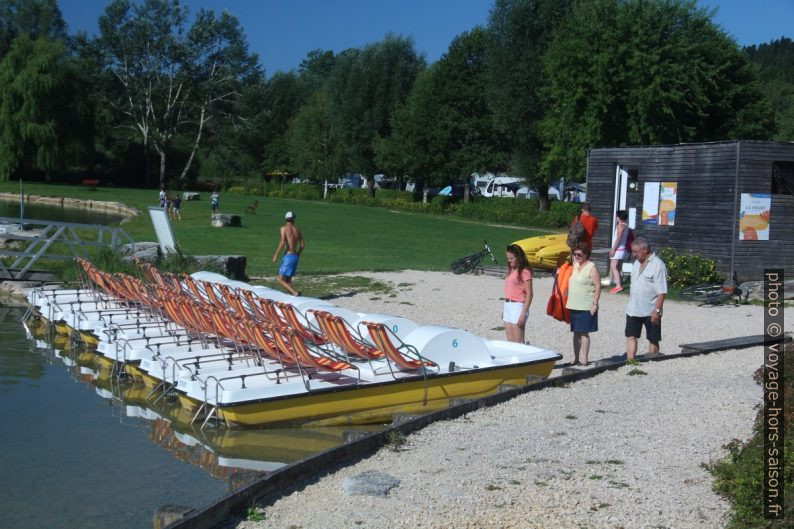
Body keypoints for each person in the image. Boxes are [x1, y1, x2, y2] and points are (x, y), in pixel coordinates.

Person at [625, 236, 667, 361]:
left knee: (652, 337)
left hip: (650, 309)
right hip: (633, 309)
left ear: (645, 250)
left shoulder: (658, 265)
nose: (633, 255)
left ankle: (653, 361)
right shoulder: (637, 263)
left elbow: (662, 292)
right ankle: (630, 361)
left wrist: (657, 311)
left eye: (635, 252)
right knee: (631, 335)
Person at [565, 241, 601, 366]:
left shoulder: (592, 267)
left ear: (586, 254)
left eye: (579, 254)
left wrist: (595, 304)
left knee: (584, 333)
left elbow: (598, 286)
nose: (576, 256)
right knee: (575, 332)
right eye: (574, 254)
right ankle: (575, 357)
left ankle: (584, 358)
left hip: (586, 305)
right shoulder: (575, 264)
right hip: (573, 304)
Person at [503, 244, 533, 344]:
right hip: (508, 305)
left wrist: (523, 313)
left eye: (511, 258)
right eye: (508, 258)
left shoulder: (525, 271)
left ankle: (523, 359)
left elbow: (529, 294)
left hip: (518, 306)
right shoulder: (511, 269)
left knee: (518, 341)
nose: (509, 260)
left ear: (518, 257)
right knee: (510, 339)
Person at [272, 211, 305, 296]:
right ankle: (291, 295)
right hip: (295, 257)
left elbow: (282, 242)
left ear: (286, 219)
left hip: (288, 256)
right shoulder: (297, 230)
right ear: (293, 219)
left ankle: (294, 292)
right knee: (288, 280)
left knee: (280, 279)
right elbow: (302, 245)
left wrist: (276, 255)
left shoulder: (284, 228)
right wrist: (298, 253)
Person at [608, 210, 630, 293]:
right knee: (619, 268)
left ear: (620, 217)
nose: (616, 217)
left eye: (617, 216)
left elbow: (618, 238)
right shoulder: (626, 225)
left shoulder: (620, 226)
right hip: (622, 249)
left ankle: (618, 286)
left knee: (613, 266)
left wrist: (613, 249)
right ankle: (620, 283)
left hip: (618, 249)